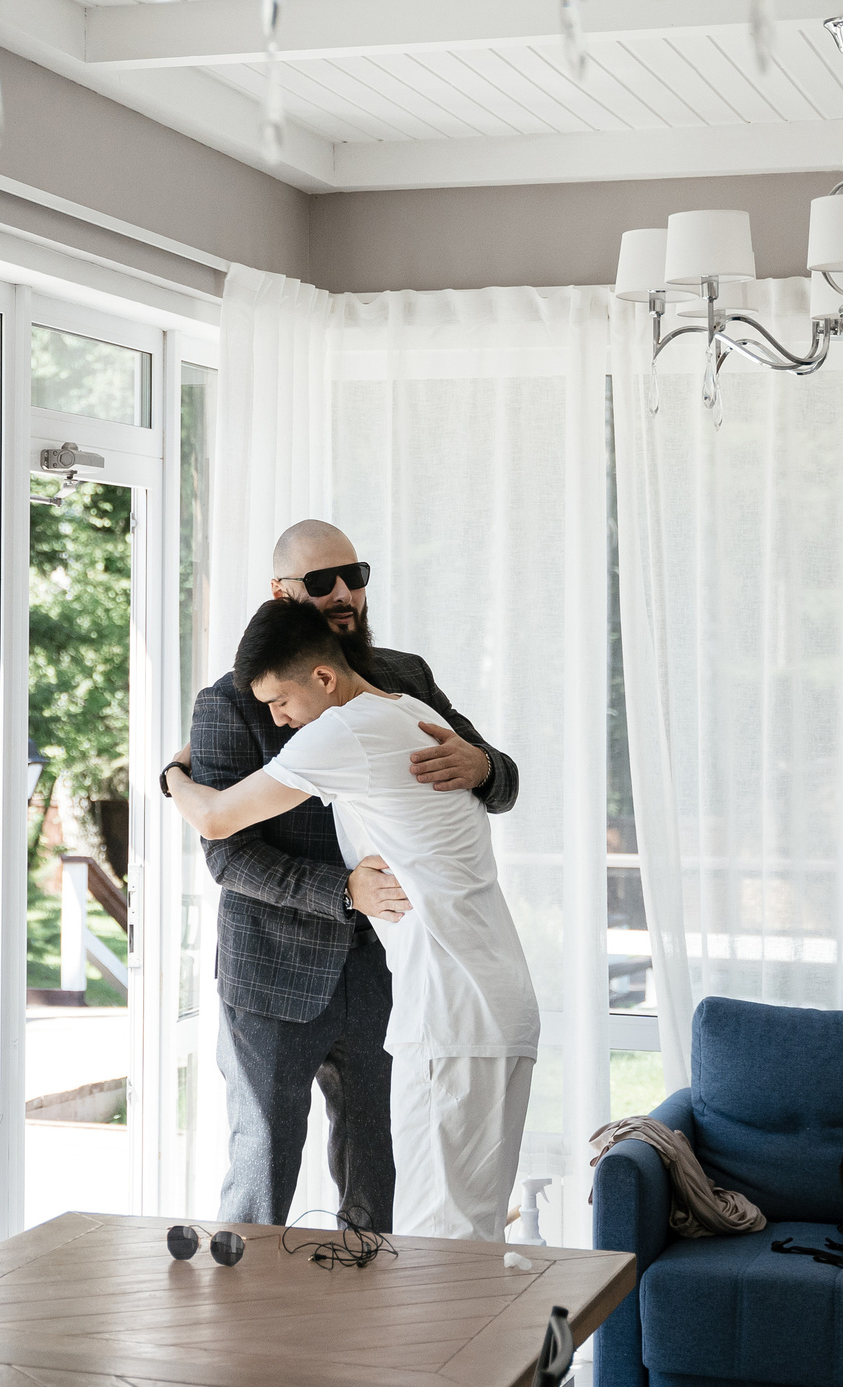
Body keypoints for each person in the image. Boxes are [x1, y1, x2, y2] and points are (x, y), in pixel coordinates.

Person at [178, 518, 517, 1233]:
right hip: (273, 973)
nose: (344, 592)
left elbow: (491, 775)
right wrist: (340, 891)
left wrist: (487, 766)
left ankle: (377, 1340)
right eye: (322, 580)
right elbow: (227, 852)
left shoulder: (404, 678)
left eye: (354, 575)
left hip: (383, 971)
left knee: (382, 1179)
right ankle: (243, 1340)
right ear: (281, 592)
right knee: (261, 1177)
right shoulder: (232, 701)